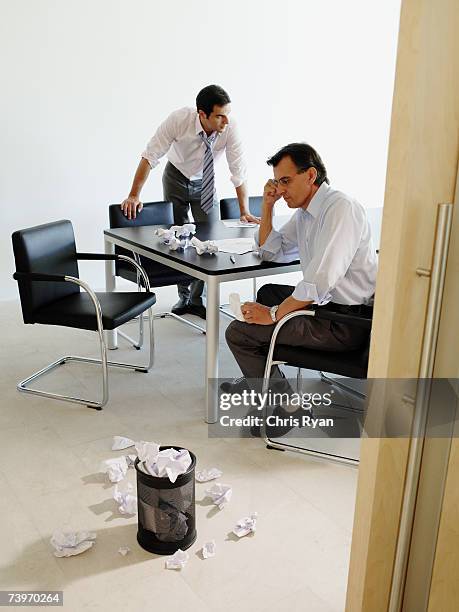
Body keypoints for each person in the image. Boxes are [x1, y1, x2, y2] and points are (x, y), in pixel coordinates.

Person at [224, 143, 377, 425]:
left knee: (239, 332)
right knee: (268, 292)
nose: (280, 190)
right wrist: (267, 206)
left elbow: (319, 283)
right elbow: (272, 251)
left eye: (285, 181)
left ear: (310, 175)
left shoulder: (340, 209)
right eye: (277, 182)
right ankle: (267, 380)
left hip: (344, 323)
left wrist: (271, 315)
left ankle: (286, 406)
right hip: (330, 309)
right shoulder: (307, 212)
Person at [120, 84, 259, 319]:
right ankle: (183, 298)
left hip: (206, 182)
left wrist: (244, 210)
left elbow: (238, 170)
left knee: (210, 237)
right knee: (178, 238)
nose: (225, 122)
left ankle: (198, 300)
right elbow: (150, 155)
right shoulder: (179, 120)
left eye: (228, 115)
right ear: (202, 114)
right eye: (219, 116)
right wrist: (134, 194)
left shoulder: (230, 127)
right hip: (175, 176)